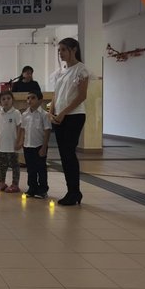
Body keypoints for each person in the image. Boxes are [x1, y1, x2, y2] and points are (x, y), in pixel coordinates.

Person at [50, 38, 89, 205]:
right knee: (64, 155)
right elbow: (56, 94)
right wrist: (51, 111)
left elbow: (82, 96)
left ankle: (74, 192)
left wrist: (64, 113)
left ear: (74, 50)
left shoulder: (81, 70)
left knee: (69, 154)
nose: (60, 53)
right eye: (59, 50)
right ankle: (71, 191)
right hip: (59, 116)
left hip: (74, 116)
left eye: (64, 50)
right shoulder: (61, 71)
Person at [21, 90, 51, 198]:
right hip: (27, 145)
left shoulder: (44, 114)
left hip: (39, 146)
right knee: (30, 168)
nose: (30, 100)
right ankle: (32, 188)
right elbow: (23, 130)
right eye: (28, 98)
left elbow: (47, 131)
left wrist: (44, 147)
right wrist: (22, 142)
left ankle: (43, 190)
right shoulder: (25, 114)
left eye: (33, 98)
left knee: (41, 168)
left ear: (40, 100)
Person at [0, 91, 22, 193]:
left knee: (15, 165)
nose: (6, 101)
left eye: (8, 98)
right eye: (3, 99)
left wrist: (18, 141)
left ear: (12, 100)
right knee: (2, 165)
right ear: (0, 101)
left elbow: (19, 128)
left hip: (12, 145)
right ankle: (2, 182)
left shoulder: (16, 113)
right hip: (1, 145)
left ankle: (15, 184)